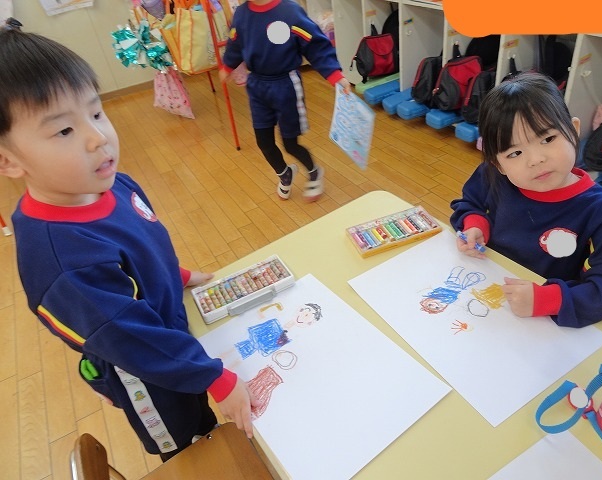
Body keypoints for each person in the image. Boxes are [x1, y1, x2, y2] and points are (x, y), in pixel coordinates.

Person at [0, 19, 255, 461]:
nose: (98, 137)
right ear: (7, 161)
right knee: (190, 443)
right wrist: (214, 378)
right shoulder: (61, 261)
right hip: (142, 371)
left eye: (96, 113)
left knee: (203, 403)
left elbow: (141, 246)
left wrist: (177, 275)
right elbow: (127, 337)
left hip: (167, 334)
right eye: (64, 130)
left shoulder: (110, 183)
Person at [450, 72, 602, 328]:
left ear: (573, 131)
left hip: (546, 320)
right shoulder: (493, 175)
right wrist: (474, 225)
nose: (536, 159)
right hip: (488, 289)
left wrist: (550, 299)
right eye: (515, 152)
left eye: (548, 139)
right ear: (498, 164)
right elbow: (469, 203)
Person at [218, 0, 351, 202]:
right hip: (257, 86)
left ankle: (314, 171)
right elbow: (235, 43)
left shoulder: (290, 11)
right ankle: (284, 172)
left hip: (286, 86)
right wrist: (228, 66)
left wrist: (334, 75)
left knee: (290, 143)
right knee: (264, 142)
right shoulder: (242, 14)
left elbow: (315, 44)